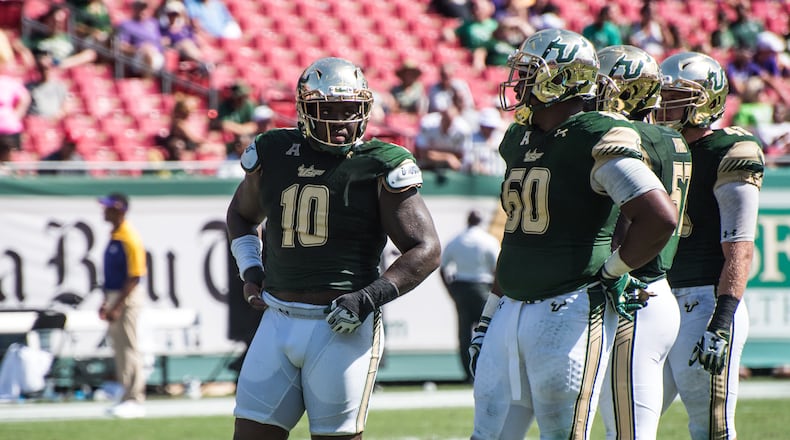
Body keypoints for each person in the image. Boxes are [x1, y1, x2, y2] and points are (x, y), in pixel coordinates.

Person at [469, 29, 678, 440]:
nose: (519, 81)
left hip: (569, 308)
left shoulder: (596, 133)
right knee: (487, 433)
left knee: (563, 433)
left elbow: (658, 216)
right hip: (513, 305)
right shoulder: (521, 137)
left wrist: (613, 271)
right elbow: (516, 237)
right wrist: (489, 314)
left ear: (562, 79)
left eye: (530, 71)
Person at [226, 57, 441, 439]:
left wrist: (366, 298)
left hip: (340, 326)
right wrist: (251, 272)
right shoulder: (273, 151)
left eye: (351, 110)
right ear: (306, 110)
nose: (342, 121)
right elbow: (241, 215)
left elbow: (425, 249)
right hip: (276, 320)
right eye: (330, 110)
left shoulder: (379, 162)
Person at [656, 52, 765, 440]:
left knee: (711, 428)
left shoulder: (729, 151)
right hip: (659, 303)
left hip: (703, 303)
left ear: (707, 100)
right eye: (663, 94)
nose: (664, 103)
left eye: (676, 95)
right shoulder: (660, 149)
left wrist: (721, 322)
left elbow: (739, 247)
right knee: (632, 423)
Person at [594, 45, 692, 440]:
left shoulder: (628, 138)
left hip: (633, 293)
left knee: (628, 431)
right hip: (657, 290)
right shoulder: (671, 137)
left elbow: (634, 217)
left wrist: (612, 267)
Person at [98, 193, 148, 419]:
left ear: (119, 210)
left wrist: (117, 304)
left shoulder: (129, 236)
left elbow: (135, 275)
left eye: (108, 208)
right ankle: (126, 393)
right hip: (115, 296)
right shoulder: (116, 235)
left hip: (126, 297)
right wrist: (106, 301)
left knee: (129, 346)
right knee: (119, 347)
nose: (104, 211)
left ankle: (135, 398)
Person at [440, 210, 500, 383]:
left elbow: (443, 268)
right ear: (481, 221)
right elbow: (496, 269)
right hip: (482, 287)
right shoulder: (488, 240)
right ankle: (486, 372)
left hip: (461, 287)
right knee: (487, 331)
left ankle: (468, 374)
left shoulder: (456, 240)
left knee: (464, 334)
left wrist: (450, 291)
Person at [115, 0, 166, 75]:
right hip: (136, 57)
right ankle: (150, 83)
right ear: (134, 9)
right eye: (140, 8)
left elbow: (160, 42)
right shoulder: (127, 25)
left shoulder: (153, 23)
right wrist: (139, 49)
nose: (143, 11)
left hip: (157, 54)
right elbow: (121, 46)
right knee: (148, 55)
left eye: (145, 8)